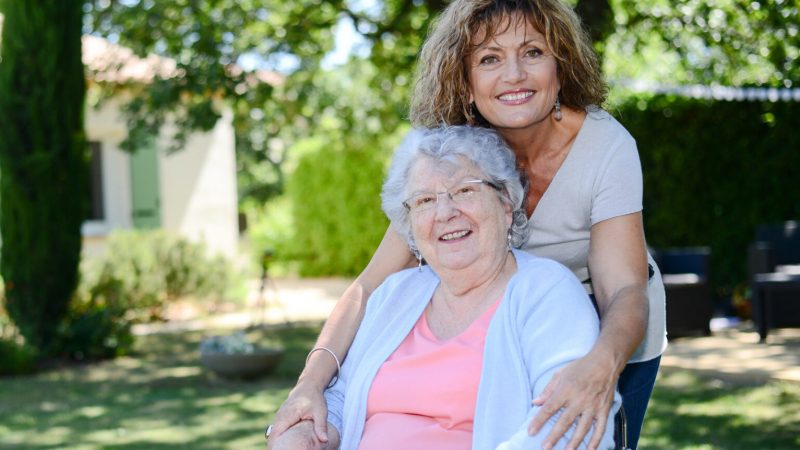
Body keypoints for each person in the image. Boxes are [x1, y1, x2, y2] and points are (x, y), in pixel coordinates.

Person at [269, 1, 666, 449]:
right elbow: (370, 288)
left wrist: (602, 361)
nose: (513, 75)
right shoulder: (454, 154)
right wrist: (309, 384)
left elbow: (624, 290)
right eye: (489, 58)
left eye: (533, 52)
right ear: (465, 79)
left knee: (582, 431)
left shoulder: (605, 146)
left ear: (561, 65)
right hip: (489, 307)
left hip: (609, 324)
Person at [268, 125, 620, 450]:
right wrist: (300, 437)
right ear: (410, 225)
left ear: (506, 204)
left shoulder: (546, 291)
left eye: (465, 190)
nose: (445, 212)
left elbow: (566, 422)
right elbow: (343, 400)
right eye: (424, 201)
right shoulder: (395, 294)